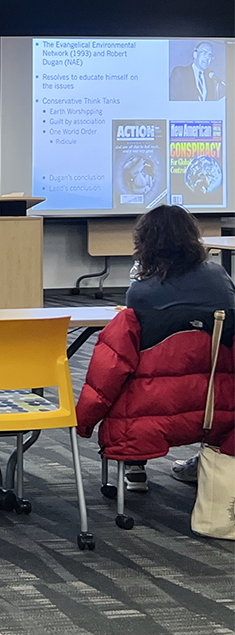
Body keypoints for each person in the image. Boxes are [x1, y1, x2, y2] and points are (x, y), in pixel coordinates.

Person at [81, 205, 235, 490]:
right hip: (216, 402)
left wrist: (84, 420)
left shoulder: (140, 293)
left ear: (145, 243)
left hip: (149, 409)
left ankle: (135, 467)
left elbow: (113, 367)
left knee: (128, 373)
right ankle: (209, 460)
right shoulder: (220, 280)